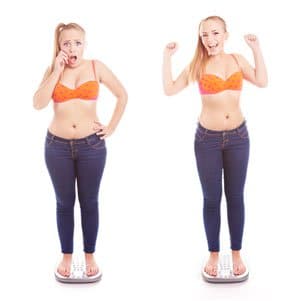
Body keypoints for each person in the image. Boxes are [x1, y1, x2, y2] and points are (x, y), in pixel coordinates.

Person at [162, 16, 267, 277]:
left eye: (215, 33)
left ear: (225, 34)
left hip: (238, 138)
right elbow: (170, 88)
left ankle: (236, 253)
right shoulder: (198, 64)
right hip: (207, 140)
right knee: (211, 199)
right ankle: (213, 253)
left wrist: (256, 49)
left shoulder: (237, 60)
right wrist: (167, 57)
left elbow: (262, 81)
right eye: (205, 35)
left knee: (235, 197)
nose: (210, 40)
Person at [33, 22, 127, 277]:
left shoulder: (97, 67)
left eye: (77, 42)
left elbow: (122, 95)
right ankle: (66, 256)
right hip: (57, 147)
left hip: (91, 146)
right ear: (59, 47)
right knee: (64, 203)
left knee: (89, 202)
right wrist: (56, 70)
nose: (72, 47)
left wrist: (111, 127)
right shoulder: (53, 69)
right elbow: (38, 103)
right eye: (66, 43)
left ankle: (89, 256)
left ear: (85, 44)